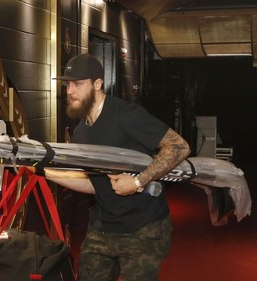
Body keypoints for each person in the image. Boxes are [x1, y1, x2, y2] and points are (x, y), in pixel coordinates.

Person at [36, 54, 191, 281]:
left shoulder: (125, 115)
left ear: (98, 84)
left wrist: (138, 182)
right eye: (67, 84)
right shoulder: (81, 131)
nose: (69, 91)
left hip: (144, 227)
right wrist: (42, 171)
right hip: (104, 225)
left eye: (78, 84)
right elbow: (93, 184)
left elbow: (179, 146)